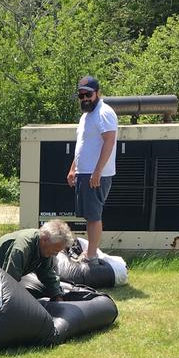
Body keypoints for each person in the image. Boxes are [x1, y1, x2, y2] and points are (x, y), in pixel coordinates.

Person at [65, 76, 118, 262]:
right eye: (81, 95)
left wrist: (98, 171)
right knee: (88, 216)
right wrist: (73, 169)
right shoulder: (86, 116)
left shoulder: (105, 112)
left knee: (94, 215)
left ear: (98, 93)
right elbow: (82, 144)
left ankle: (92, 255)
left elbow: (109, 142)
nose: (85, 98)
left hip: (96, 174)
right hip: (83, 172)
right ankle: (90, 253)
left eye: (88, 94)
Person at [0, 219, 74, 300]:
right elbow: (9, 282)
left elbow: (47, 272)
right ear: (45, 239)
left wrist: (57, 296)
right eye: (55, 250)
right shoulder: (21, 249)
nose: (56, 254)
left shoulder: (45, 249)